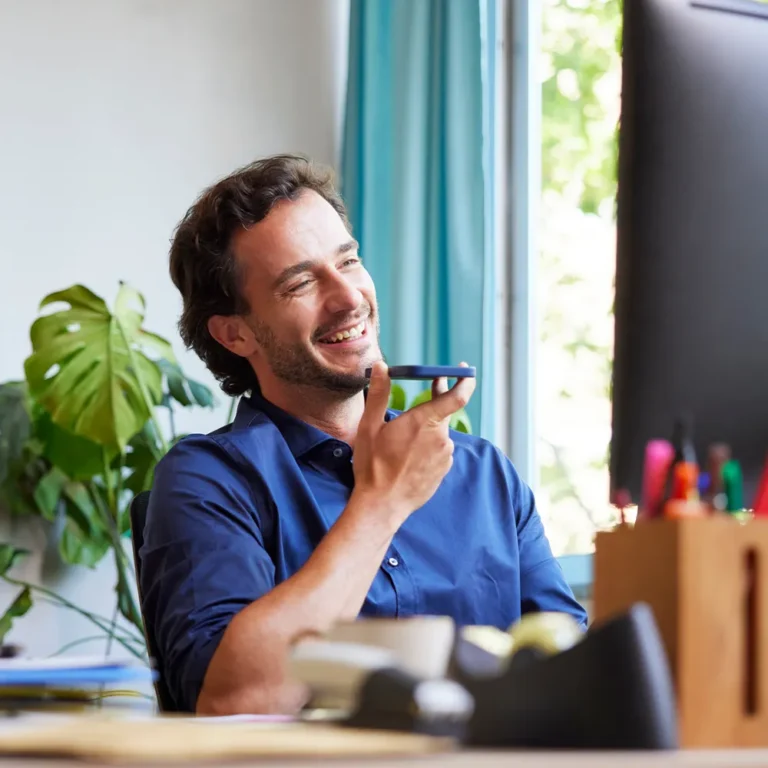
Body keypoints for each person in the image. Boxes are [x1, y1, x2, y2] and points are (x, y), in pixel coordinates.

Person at [140, 154, 587, 716]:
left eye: (347, 261)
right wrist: (381, 504)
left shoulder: (483, 474)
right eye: (300, 281)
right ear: (236, 334)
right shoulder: (208, 480)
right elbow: (235, 701)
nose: (348, 296)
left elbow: (577, 676)